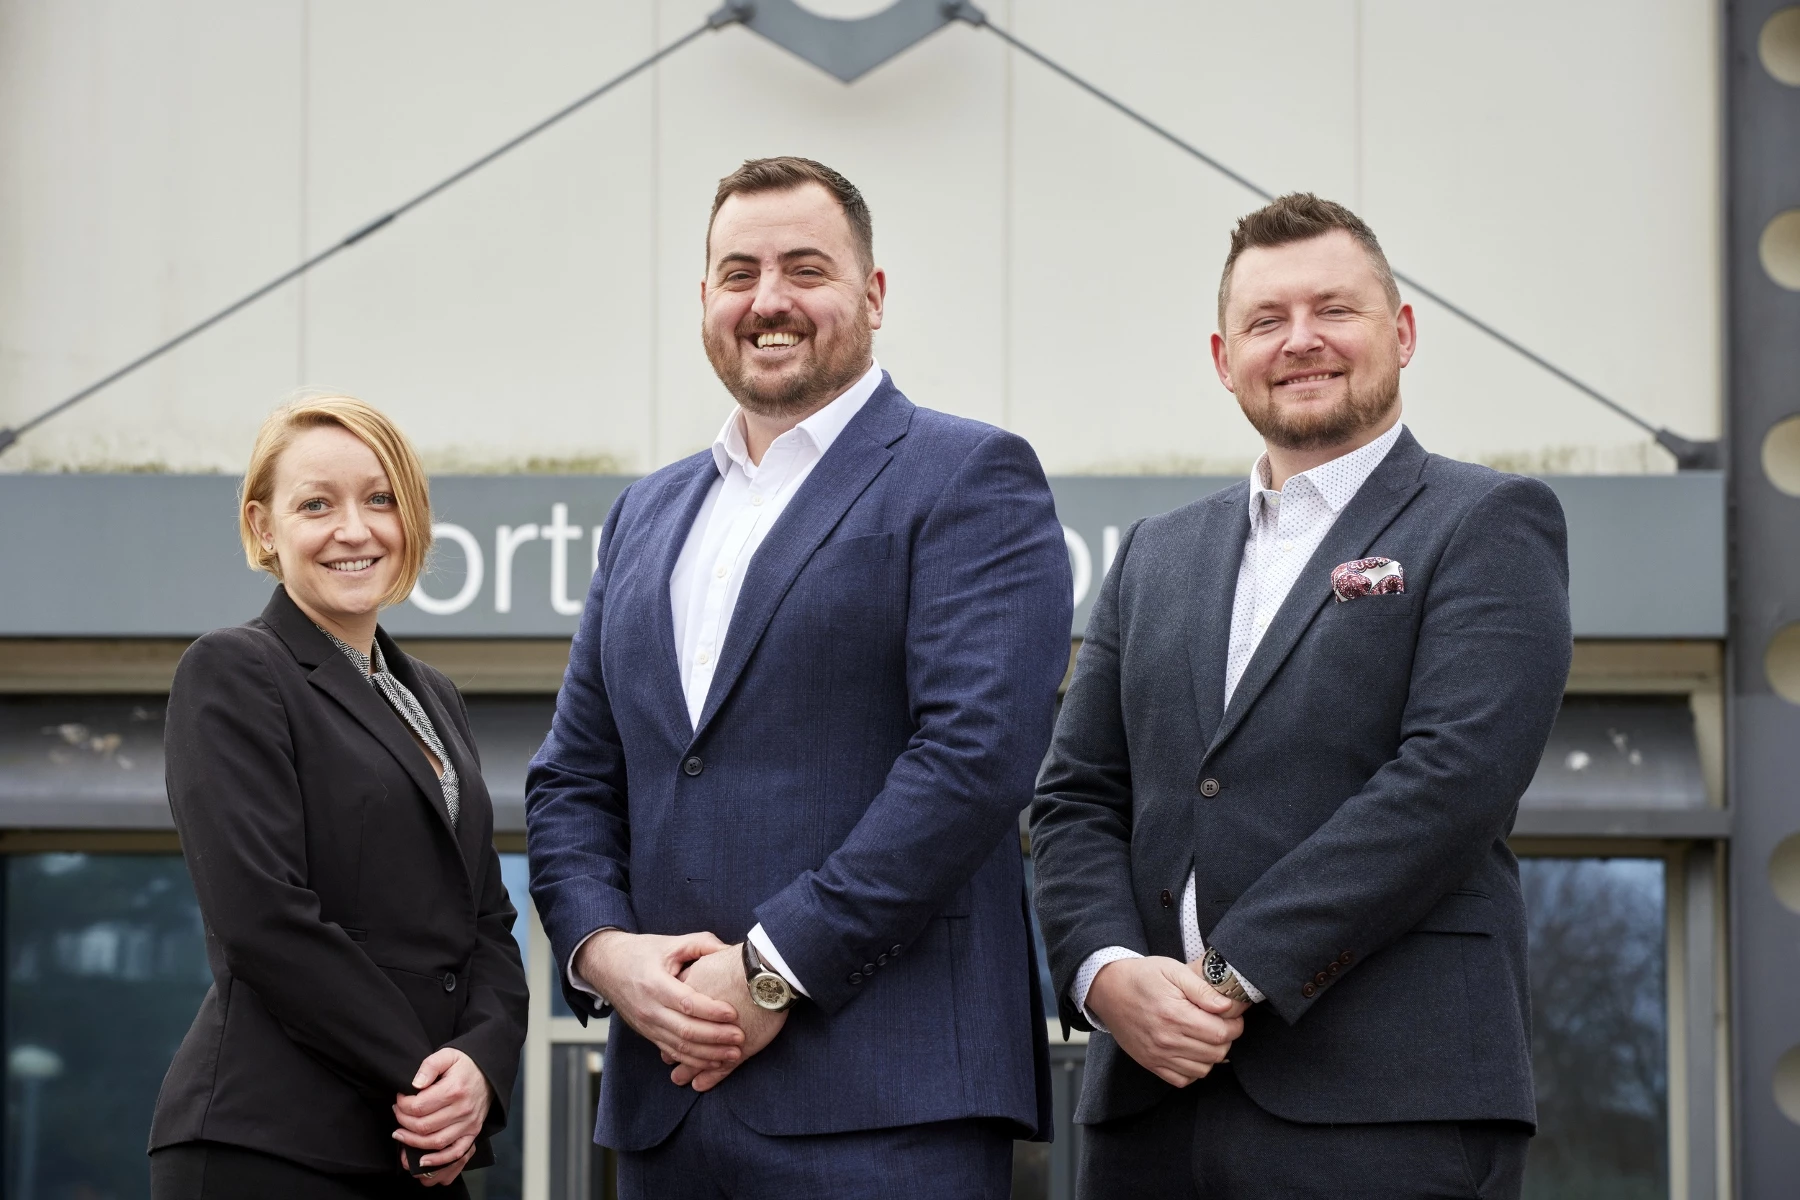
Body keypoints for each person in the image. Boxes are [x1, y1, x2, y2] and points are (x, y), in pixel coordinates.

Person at [525, 156, 1072, 1197]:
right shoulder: (646, 513)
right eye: (739, 273)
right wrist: (605, 954)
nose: (768, 300)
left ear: (873, 295)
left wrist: (773, 969)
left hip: (887, 1103)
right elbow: (571, 780)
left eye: (805, 269)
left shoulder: (969, 475)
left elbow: (974, 761)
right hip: (666, 1107)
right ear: (704, 303)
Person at [1030, 193, 1571, 1199]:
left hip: (1387, 1107)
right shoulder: (1155, 555)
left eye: (1335, 310)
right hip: (1149, 1109)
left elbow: (1454, 780)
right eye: (1266, 321)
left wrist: (1231, 973)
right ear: (1222, 356)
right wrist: (1105, 973)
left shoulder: (1488, 521)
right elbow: (1073, 798)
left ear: (1402, 333)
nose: (1301, 341)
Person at [149, 396, 528, 1199]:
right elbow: (262, 915)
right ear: (263, 528)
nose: (354, 529)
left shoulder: (434, 697)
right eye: (316, 504)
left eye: (379, 498)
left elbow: (488, 919)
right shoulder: (234, 670)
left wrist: (482, 1067)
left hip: (415, 1148)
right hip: (275, 1143)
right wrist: (427, 1080)